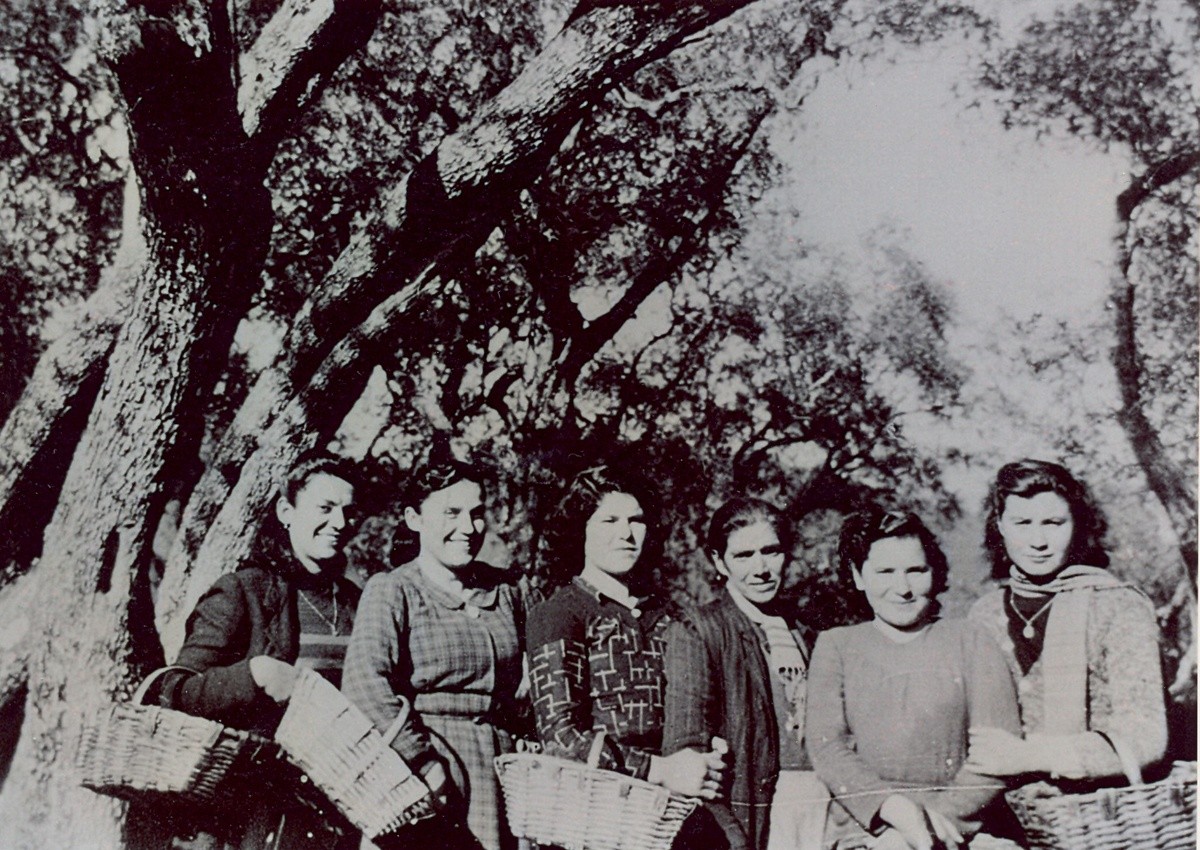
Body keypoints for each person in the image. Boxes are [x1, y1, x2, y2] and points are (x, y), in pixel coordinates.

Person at [160, 451, 364, 850]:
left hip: (337, 810)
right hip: (252, 817)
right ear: (287, 512)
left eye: (349, 512)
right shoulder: (243, 590)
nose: (340, 523)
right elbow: (175, 691)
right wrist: (254, 675)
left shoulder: (360, 603)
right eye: (325, 508)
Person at [341, 456, 528, 850]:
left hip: (502, 778)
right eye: (451, 513)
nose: (468, 528)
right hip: (426, 776)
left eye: (476, 514)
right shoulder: (394, 590)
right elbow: (364, 685)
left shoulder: (508, 591)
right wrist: (422, 763)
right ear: (415, 519)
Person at [806, 507, 1021, 850]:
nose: (903, 588)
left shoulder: (971, 639)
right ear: (858, 576)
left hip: (965, 825)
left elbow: (998, 752)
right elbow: (828, 749)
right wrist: (894, 813)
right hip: (869, 828)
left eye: (916, 571)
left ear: (934, 573)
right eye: (885, 572)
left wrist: (931, 825)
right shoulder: (837, 646)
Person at [526, 465, 727, 810]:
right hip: (596, 806)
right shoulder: (559, 613)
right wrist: (658, 770)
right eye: (609, 521)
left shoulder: (672, 616)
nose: (626, 534)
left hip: (676, 806)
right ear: (581, 529)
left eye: (636, 520)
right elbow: (560, 737)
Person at [965, 459, 1167, 786]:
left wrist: (1032, 756)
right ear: (1000, 525)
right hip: (1007, 803)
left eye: (1054, 522)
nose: (1038, 541)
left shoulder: (1117, 606)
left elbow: (1146, 736)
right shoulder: (984, 614)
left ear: (1078, 524)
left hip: (1099, 806)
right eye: (1022, 523)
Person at [663, 497, 827, 850]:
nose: (761, 568)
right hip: (752, 819)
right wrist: (734, 840)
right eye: (743, 556)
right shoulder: (699, 629)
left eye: (771, 551)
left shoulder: (807, 633)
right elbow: (687, 757)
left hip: (820, 814)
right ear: (718, 561)